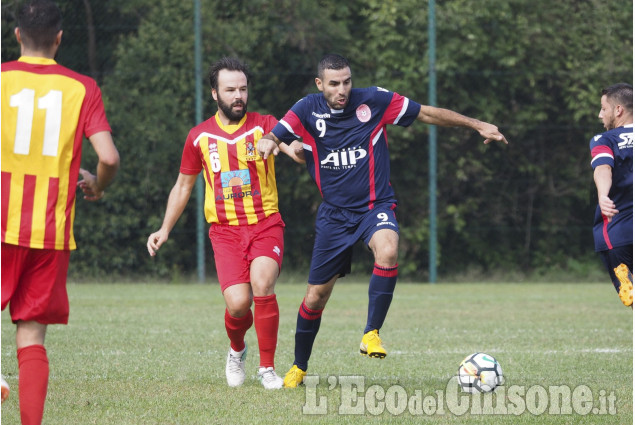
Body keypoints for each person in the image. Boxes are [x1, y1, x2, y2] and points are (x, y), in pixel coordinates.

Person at [258, 53, 508, 388]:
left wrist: (477, 124)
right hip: (334, 216)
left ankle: (371, 334)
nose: (342, 89)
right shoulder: (307, 107)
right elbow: (277, 133)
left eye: (347, 81)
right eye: (334, 83)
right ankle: (299, 366)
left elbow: (427, 113)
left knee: (388, 250)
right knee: (316, 297)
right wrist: (268, 141)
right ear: (320, 85)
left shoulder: (374, 100)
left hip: (375, 205)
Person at [147, 57, 303, 390]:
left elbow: (293, 146)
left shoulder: (266, 126)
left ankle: (267, 369)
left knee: (263, 283)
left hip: (265, 224)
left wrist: (290, 146)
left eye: (243, 89)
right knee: (238, 304)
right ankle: (236, 349)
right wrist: (165, 229)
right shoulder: (198, 137)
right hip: (225, 233)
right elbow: (183, 186)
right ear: (214, 93)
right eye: (230, 89)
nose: (238, 96)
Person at [1, 1, 120, 423]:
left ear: (16, 35)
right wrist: (98, 186)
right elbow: (108, 157)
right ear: (59, 38)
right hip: (50, 231)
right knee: (31, 335)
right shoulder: (81, 87)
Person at [589, 83, 633, 308]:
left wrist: (603, 195)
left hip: (620, 232)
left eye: (603, 109)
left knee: (630, 293)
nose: (600, 115)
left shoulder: (605, 140)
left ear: (618, 110)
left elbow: (603, 167)